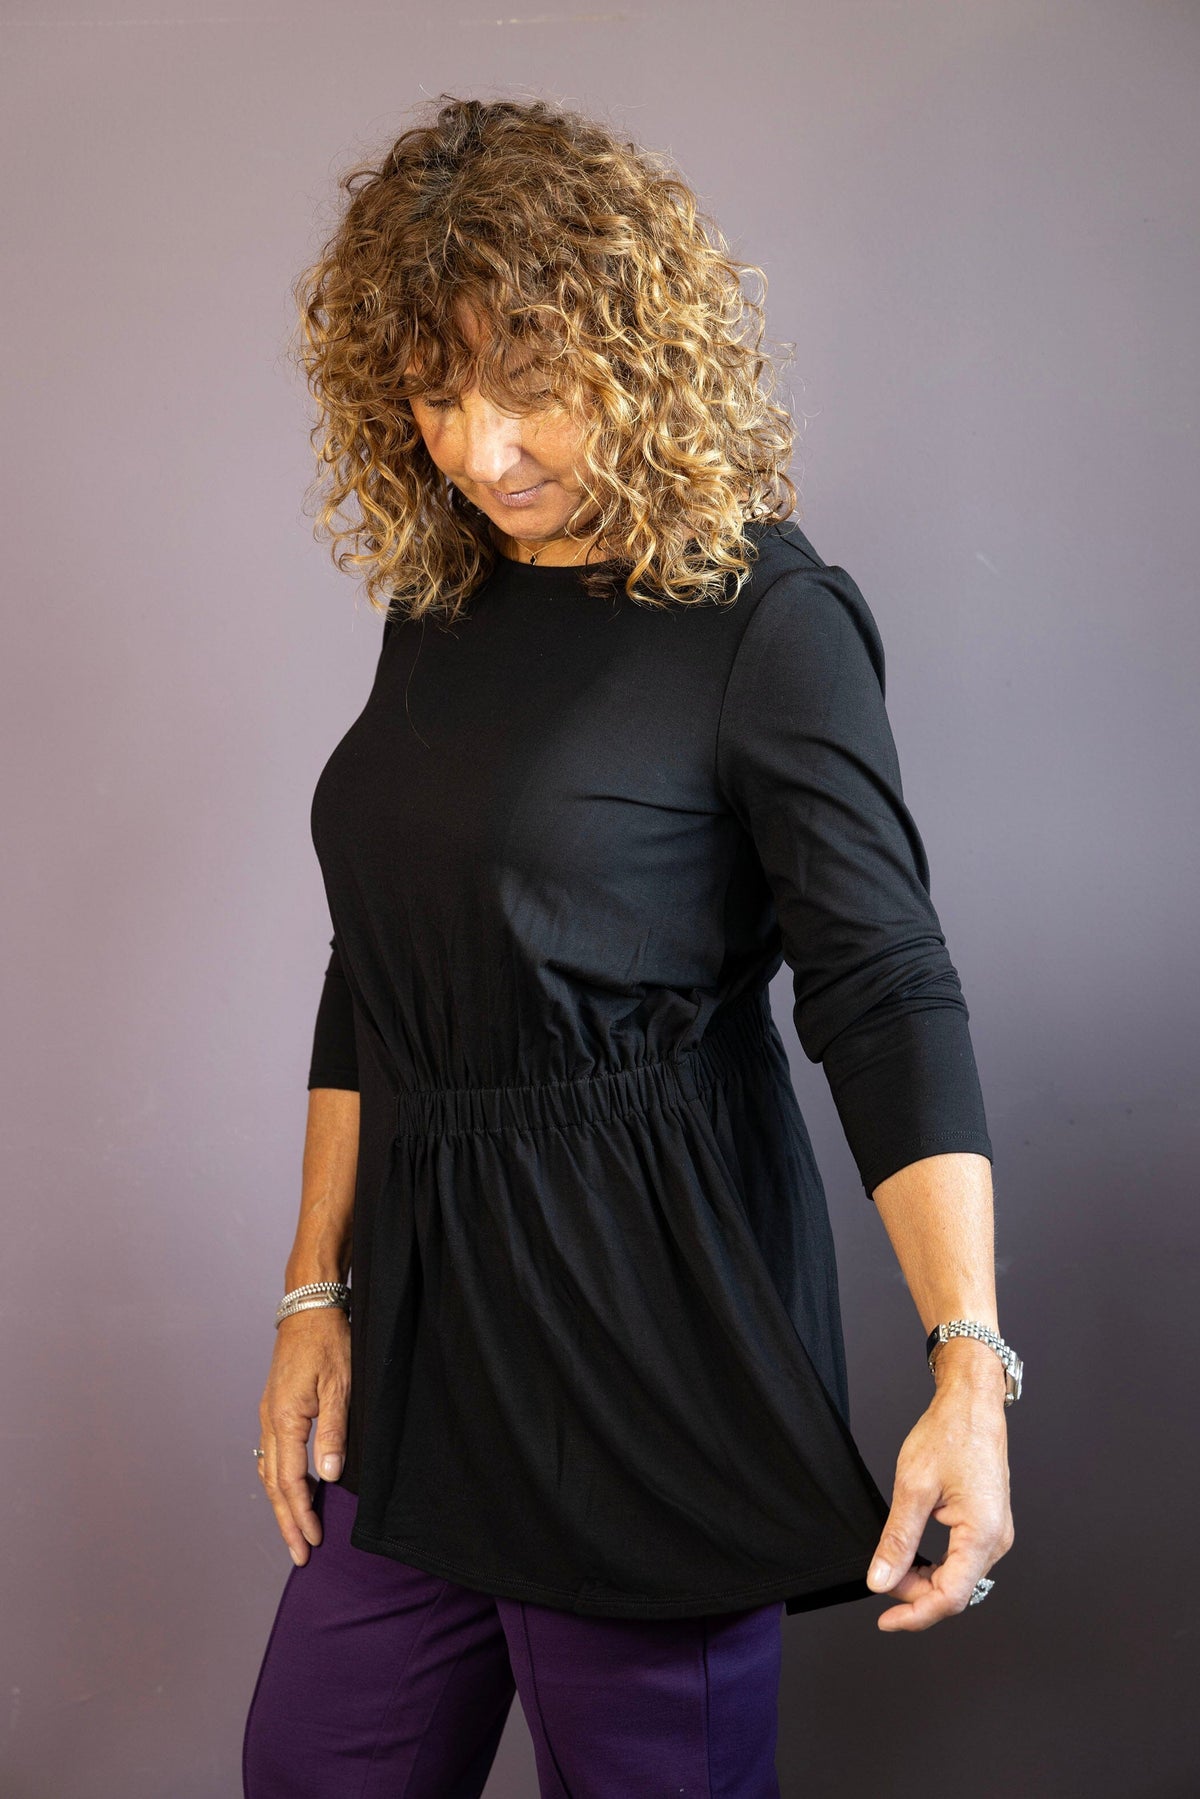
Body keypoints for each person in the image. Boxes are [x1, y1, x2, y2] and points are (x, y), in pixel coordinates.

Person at [242, 94, 1018, 1798]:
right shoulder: (444, 600)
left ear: (636, 349)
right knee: (314, 1768)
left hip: (642, 1338)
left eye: (528, 383)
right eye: (435, 395)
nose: (480, 451)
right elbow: (379, 961)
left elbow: (885, 989)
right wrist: (316, 1290)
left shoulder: (768, 619)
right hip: (429, 1337)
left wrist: (969, 1362)